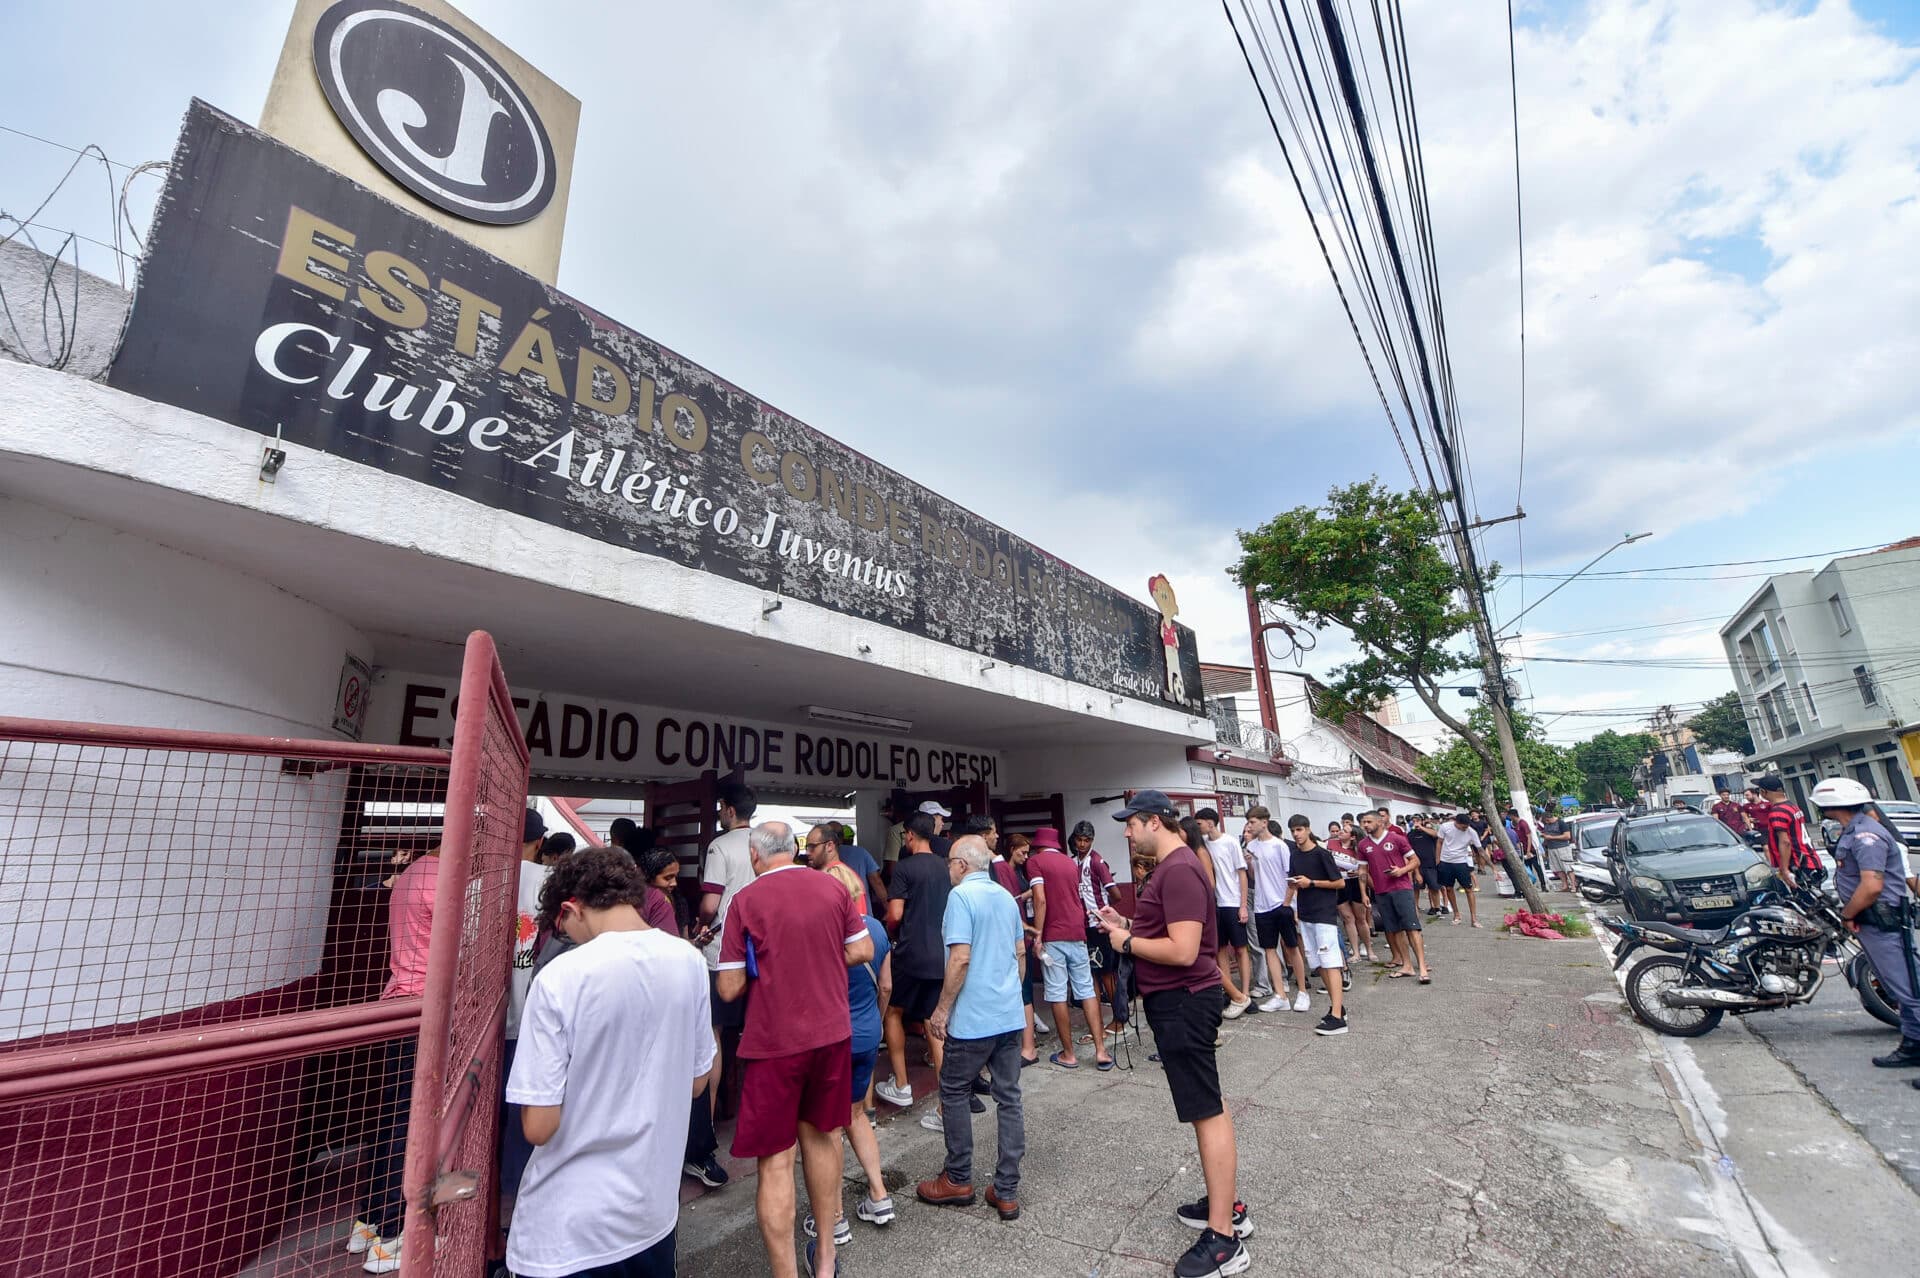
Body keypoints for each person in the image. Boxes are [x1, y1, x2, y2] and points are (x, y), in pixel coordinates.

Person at [503, 848, 712, 1278]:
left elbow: (538, 1126)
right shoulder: (688, 961)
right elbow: (696, 1082)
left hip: (567, 1233)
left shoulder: (560, 978)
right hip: (652, 1215)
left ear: (569, 909)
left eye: (562, 930)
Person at [1097, 792, 1251, 1278]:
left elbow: (1184, 950)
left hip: (1185, 999)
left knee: (1206, 1111)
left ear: (1152, 822)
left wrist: (1126, 941)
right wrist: (1129, 924)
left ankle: (1224, 1238)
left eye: (1130, 824)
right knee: (1209, 1104)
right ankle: (1225, 1205)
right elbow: (1170, 931)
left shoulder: (1179, 868)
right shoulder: (1175, 868)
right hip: (1180, 1001)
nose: (1126, 833)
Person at [717, 822, 874, 1278]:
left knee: (777, 1159)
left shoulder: (744, 902)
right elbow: (862, 948)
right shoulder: (831, 889)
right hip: (831, 1034)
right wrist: (818, 956)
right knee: (824, 1139)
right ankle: (825, 1261)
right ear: (796, 851)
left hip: (773, 1045)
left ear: (754, 855)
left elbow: (728, 987)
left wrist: (770, 963)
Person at [346, 828, 451, 1272]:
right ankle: (395, 1237)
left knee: (394, 1119)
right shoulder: (446, 880)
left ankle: (370, 1222)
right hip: (428, 1015)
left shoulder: (411, 873)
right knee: (420, 1127)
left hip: (400, 1005)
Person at [916, 836, 1029, 1220]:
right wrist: (1011, 996)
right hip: (1009, 1016)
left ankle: (958, 1177)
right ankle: (1007, 1189)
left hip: (974, 1019)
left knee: (954, 1089)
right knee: (1009, 1098)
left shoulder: (961, 898)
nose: (948, 869)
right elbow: (1020, 955)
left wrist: (942, 1010)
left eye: (950, 862)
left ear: (962, 865)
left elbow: (960, 958)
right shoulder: (1003, 897)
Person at [1808, 778, 1920, 1072]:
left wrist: (1847, 914)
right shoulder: (1854, 830)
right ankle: (1913, 1045)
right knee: (1899, 989)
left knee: (1909, 989)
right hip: (1874, 923)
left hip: (1883, 922)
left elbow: (1871, 886)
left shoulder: (1865, 836)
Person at [877, 813, 976, 1124]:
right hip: (941, 953)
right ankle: (949, 1103)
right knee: (936, 1022)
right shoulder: (946, 866)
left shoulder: (905, 868)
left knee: (894, 1012)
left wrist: (893, 932)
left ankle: (902, 1085)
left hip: (910, 953)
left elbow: (894, 914)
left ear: (908, 835)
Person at [811, 893, 896, 1242]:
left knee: (830, 1127)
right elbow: (887, 985)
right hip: (867, 1032)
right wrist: (875, 1022)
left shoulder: (822, 932)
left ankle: (834, 1217)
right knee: (856, 1114)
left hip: (834, 1036)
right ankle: (879, 1195)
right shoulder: (875, 928)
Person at [687, 781, 758, 1190]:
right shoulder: (765, 842)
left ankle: (709, 1122)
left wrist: (698, 926)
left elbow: (711, 903)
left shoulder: (720, 847)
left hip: (723, 955)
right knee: (754, 1034)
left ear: (729, 810)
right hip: (760, 952)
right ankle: (755, 1110)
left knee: (713, 1038)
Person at [1024, 825, 1114, 1070]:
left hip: (1053, 934)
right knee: (1086, 990)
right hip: (1077, 932)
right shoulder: (1070, 863)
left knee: (1056, 993)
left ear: (1038, 845)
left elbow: (1041, 898)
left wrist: (1038, 935)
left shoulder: (1035, 862)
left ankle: (1069, 1054)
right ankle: (1101, 1051)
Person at [501, 808, 552, 1206]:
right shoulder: (550, 884)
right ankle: (519, 1187)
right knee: (526, 1107)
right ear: (539, 843)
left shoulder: (479, 881)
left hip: (483, 1017)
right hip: (535, 1013)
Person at [1241, 807, 1310, 1013]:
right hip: (1261, 906)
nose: (1250, 826)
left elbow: (1291, 876)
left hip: (1281, 903)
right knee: (1269, 949)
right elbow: (1254, 877)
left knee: (1291, 947)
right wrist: (1249, 864)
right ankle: (1280, 995)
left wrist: (1287, 903)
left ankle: (1303, 992)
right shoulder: (1251, 846)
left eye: (1253, 822)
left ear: (1264, 822)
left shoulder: (1279, 846)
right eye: (1249, 822)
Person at [1285, 815, 1349, 1035]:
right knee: (1318, 964)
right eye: (1293, 830)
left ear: (1308, 829)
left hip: (1324, 915)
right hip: (1305, 915)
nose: (1296, 834)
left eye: (1300, 829)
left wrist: (1311, 883)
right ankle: (1337, 1006)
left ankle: (1338, 1018)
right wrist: (1288, 906)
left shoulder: (1322, 854)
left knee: (1330, 963)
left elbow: (1340, 882)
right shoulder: (1294, 856)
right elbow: (1293, 884)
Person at [1354, 810, 1429, 983]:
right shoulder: (1364, 845)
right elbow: (1362, 871)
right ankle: (1407, 965)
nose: (1365, 825)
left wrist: (1401, 871)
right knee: (1394, 930)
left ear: (1379, 822)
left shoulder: (1397, 838)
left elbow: (1415, 861)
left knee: (1412, 927)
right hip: (1381, 892)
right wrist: (1364, 893)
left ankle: (1423, 967)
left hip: (1401, 888)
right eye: (1363, 822)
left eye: (1368, 821)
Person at [1068, 821, 1124, 1040]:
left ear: (1092, 840)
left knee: (1106, 973)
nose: (1082, 844)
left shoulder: (1097, 862)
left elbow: (1117, 894)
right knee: (1090, 974)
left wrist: (1104, 912)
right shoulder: (1074, 862)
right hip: (1082, 926)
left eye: (1087, 840)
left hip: (1097, 926)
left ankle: (1119, 1017)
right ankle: (1097, 1024)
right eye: (1079, 839)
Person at [1196, 808, 1253, 1017]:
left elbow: (1242, 873)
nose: (1198, 827)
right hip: (1215, 904)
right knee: (1220, 949)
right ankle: (1230, 992)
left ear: (1211, 823)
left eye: (1200, 822)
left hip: (1232, 902)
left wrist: (1243, 905)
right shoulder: (1201, 844)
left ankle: (1246, 993)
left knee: (1240, 949)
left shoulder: (1229, 842)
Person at [1754, 775, 1825, 891]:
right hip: (1810, 860)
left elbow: (1785, 841)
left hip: (1798, 864)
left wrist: (1784, 869)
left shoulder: (1777, 812)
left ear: (1763, 792)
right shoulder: (1791, 806)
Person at [807, 823, 868, 918]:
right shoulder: (847, 876)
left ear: (830, 846)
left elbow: (859, 921)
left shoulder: (845, 877)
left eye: (812, 847)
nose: (807, 852)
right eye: (807, 847)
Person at [1436, 813, 1485, 928]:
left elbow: (1480, 850)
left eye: (1467, 826)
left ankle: (1474, 919)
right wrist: (1437, 859)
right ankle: (1456, 914)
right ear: (1456, 823)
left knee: (1469, 889)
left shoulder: (1471, 832)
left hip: (1461, 862)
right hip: (1446, 861)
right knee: (1448, 888)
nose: (1465, 829)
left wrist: (1493, 867)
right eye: (1463, 827)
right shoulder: (1445, 827)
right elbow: (1439, 842)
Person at [1408, 814, 1445, 915]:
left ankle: (1437, 908)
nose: (1416, 822)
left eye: (1418, 820)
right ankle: (1415, 907)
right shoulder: (1410, 834)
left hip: (1430, 865)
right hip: (1417, 865)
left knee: (1434, 887)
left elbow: (1436, 834)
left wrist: (1422, 827)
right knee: (1416, 888)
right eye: (1413, 820)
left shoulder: (1429, 832)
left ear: (1423, 821)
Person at [1537, 810, 1575, 893]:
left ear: (1548, 818)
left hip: (1562, 848)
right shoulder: (1547, 825)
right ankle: (1565, 885)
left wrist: (1552, 837)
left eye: (1547, 821)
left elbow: (1567, 836)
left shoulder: (1561, 823)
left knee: (1567, 867)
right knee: (1558, 868)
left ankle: (1573, 885)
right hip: (1551, 848)